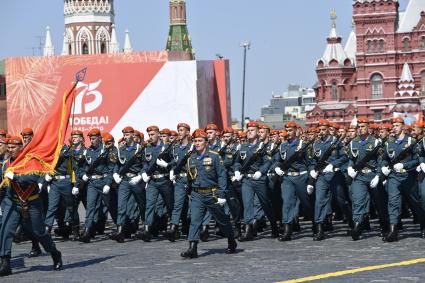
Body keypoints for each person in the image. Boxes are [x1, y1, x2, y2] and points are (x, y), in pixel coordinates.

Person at [0, 136, 62, 276]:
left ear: (21, 148)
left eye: (14, 147)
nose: (11, 150)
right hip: (12, 201)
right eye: (9, 147)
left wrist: (15, 177)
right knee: (6, 229)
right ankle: (5, 262)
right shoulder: (5, 164)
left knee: (39, 232)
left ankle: (54, 253)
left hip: (32, 201)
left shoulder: (30, 161)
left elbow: (34, 177)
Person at [180, 129, 237, 259]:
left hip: (212, 194)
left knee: (222, 220)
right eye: (195, 141)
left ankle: (231, 240)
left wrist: (222, 195)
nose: (197, 143)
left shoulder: (214, 156)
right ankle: (192, 248)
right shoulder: (191, 158)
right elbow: (190, 178)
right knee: (194, 221)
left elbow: (222, 176)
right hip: (197, 195)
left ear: (206, 142)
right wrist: (189, 191)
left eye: (200, 141)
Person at [233, 121, 279, 241]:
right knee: (247, 204)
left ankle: (274, 225)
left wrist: (261, 171)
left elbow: (268, 161)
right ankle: (248, 230)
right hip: (247, 179)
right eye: (248, 130)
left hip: (259, 179)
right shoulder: (242, 146)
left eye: (252, 130)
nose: (249, 132)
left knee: (265, 203)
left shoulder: (263, 146)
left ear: (258, 132)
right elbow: (237, 161)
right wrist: (237, 171)